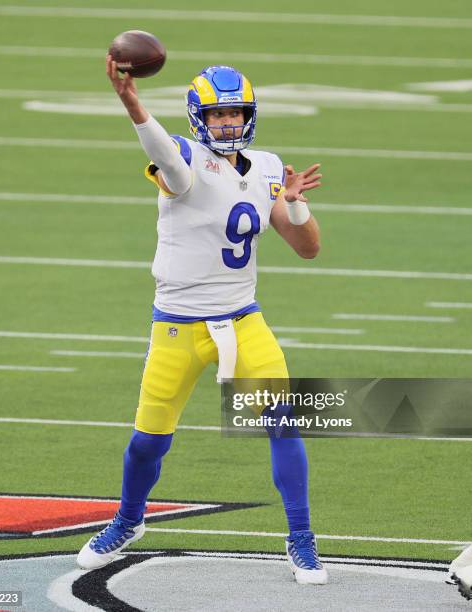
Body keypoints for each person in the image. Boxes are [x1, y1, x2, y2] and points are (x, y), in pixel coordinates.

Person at [77, 58, 327, 585]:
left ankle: (301, 538)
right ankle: (128, 520)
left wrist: (297, 205)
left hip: (242, 320)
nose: (229, 123)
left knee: (283, 423)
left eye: (236, 112)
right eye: (218, 115)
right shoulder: (183, 158)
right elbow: (163, 152)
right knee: (148, 439)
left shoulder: (264, 167)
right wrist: (131, 102)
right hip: (178, 325)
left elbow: (307, 249)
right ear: (198, 119)